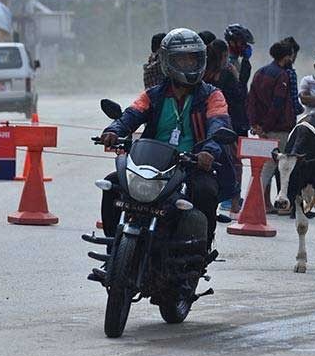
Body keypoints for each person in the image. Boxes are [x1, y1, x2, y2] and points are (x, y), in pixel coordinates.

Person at [100, 28, 231, 249]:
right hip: (151, 163)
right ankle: (114, 245)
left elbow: (219, 123)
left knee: (206, 192)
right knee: (112, 183)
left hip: (191, 164)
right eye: (182, 59)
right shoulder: (153, 95)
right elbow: (131, 115)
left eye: (193, 59)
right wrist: (114, 130)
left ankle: (200, 251)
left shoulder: (212, 95)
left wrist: (209, 151)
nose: (188, 64)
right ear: (167, 61)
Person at [247, 41, 297, 213]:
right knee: (280, 166)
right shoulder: (282, 75)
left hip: (263, 129)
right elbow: (277, 104)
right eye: (290, 55)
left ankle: (254, 202)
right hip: (279, 129)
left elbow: (251, 99)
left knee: (264, 166)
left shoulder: (260, 72)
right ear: (286, 57)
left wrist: (256, 125)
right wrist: (266, 126)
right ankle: (258, 204)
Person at [204, 38, 247, 213]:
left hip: (209, 124)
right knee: (233, 163)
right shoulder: (227, 73)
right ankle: (233, 201)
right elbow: (239, 97)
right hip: (228, 124)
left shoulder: (202, 76)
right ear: (223, 55)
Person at [282, 36, 305, 117]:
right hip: (286, 119)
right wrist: (302, 110)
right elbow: (294, 100)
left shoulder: (265, 72)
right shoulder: (290, 74)